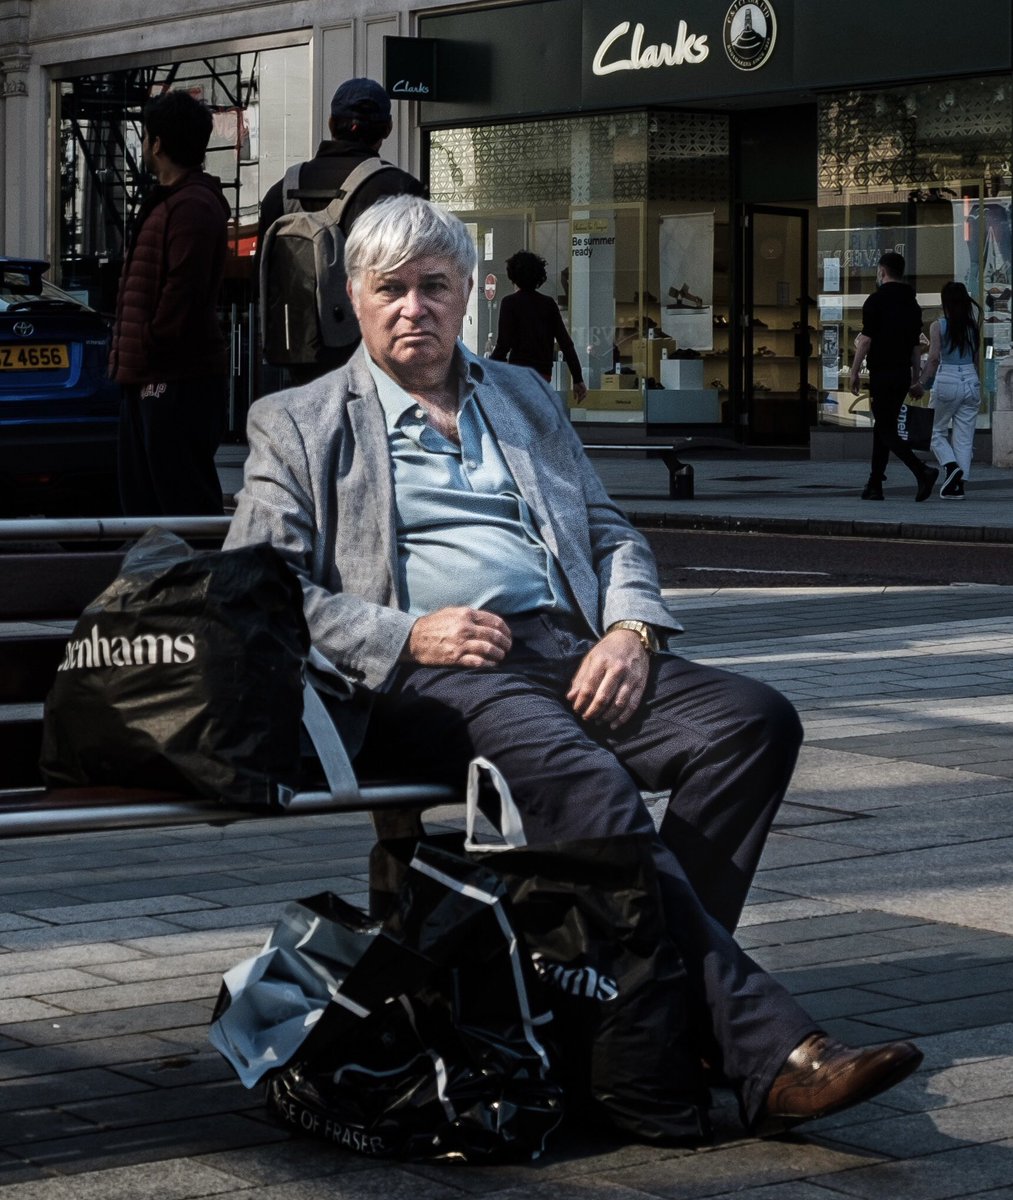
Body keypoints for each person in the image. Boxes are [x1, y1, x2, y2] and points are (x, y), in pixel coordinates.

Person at [226, 195, 922, 1134]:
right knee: (589, 785)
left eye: (434, 287)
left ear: (466, 293)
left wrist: (631, 630)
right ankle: (766, 1047)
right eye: (390, 289)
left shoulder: (519, 395)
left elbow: (605, 531)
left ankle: (649, 999)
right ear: (354, 297)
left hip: (567, 647)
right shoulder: (298, 421)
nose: (413, 308)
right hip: (432, 675)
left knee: (751, 721)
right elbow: (258, 590)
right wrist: (405, 634)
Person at [256, 77, 424, 383]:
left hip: (296, 362)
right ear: (386, 130)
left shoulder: (280, 193)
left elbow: (260, 276)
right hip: (372, 367)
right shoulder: (400, 190)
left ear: (332, 123)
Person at [109, 90, 229, 516]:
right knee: (146, 506)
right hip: (151, 374)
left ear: (157, 143)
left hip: (174, 379)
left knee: (180, 504)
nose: (144, 146)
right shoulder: (171, 201)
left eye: (145, 138)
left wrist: (149, 343)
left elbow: (184, 292)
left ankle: (199, 583)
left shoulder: (192, 205)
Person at [850, 251, 939, 502]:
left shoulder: (875, 301)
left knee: (887, 429)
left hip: (882, 372)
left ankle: (921, 470)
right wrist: (915, 377)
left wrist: (855, 371)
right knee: (883, 427)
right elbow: (915, 346)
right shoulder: (912, 304)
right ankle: (875, 483)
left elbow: (865, 340)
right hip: (901, 374)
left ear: (882, 271)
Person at [490, 250, 587, 402]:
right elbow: (566, 343)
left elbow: (503, 345)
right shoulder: (548, 304)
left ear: (513, 276)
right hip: (543, 375)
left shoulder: (509, 303)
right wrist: (577, 378)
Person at [917, 281, 982, 499]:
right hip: (971, 380)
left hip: (947, 380)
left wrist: (921, 383)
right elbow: (975, 360)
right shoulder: (972, 327)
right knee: (964, 437)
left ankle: (951, 466)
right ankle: (958, 485)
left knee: (935, 431)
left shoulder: (939, 325)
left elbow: (934, 358)